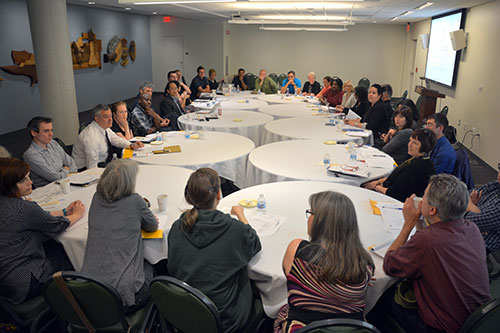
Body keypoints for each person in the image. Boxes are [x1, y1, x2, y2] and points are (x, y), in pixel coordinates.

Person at [377, 174, 491, 332]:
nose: (421, 199)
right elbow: (429, 247)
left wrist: (408, 225)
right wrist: (419, 221)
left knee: (381, 296)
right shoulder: (471, 228)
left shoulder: (427, 241)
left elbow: (390, 265)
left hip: (444, 326)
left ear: (432, 210)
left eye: (424, 195)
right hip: (479, 320)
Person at [167, 168, 261, 332]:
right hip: (225, 318)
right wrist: (240, 215)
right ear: (219, 194)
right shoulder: (234, 230)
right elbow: (254, 243)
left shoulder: (176, 227)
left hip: (184, 311)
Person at [274, 191, 374, 332]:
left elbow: (288, 274)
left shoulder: (296, 250)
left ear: (320, 220)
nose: (308, 218)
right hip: (351, 329)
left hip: (302, 328)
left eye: (311, 213)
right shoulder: (365, 263)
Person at [0, 158, 85, 305]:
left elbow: (39, 218)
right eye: (23, 180)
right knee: (71, 251)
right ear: (7, 185)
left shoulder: (7, 204)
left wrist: (64, 211)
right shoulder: (23, 208)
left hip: (8, 281)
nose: (30, 182)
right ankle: (80, 301)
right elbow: (58, 225)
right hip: (28, 282)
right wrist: (76, 214)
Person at [81, 159, 158, 313]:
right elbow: (152, 226)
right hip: (123, 297)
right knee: (154, 264)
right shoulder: (135, 201)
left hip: (89, 291)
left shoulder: (97, 197)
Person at [363, 129, 436, 202]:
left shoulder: (418, 168)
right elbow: (398, 177)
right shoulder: (418, 159)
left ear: (425, 147)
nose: (409, 145)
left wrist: (375, 186)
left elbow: (394, 194)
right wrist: (379, 181)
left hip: (391, 200)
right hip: (387, 190)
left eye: (415, 143)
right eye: (410, 141)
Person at [72, 104, 144, 170]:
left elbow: (115, 139)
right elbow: (91, 167)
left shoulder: (104, 127)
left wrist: (130, 144)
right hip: (85, 169)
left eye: (110, 116)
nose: (110, 120)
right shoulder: (91, 137)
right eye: (106, 117)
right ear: (96, 118)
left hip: (103, 163)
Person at [23, 117, 77, 187]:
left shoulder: (53, 143)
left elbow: (72, 164)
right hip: (49, 190)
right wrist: (66, 169)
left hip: (68, 182)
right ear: (34, 133)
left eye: (51, 130)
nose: (51, 134)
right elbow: (54, 178)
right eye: (46, 131)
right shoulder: (31, 155)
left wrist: (63, 172)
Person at [464, 164, 500, 253]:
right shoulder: (495, 185)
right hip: (465, 233)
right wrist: (472, 208)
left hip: (478, 246)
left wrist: (470, 205)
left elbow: (469, 220)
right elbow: (464, 195)